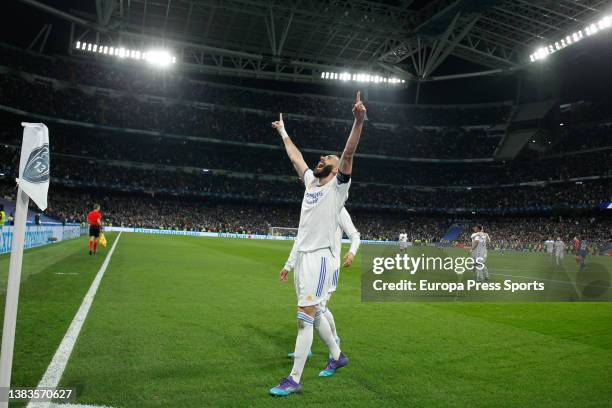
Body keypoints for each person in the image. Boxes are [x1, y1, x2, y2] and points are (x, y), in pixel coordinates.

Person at [269, 91, 366, 397]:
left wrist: (358, 120)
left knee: (304, 319)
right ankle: (337, 356)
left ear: (336, 170)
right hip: (304, 259)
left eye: (327, 158)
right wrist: (284, 132)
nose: (321, 159)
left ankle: (295, 378)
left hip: (322, 260)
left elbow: (348, 153)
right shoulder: (312, 182)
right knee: (316, 312)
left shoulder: (338, 189)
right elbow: (295, 157)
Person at [283, 207, 361, 359]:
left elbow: (355, 235)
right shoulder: (311, 206)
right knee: (308, 307)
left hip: (329, 266)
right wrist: (289, 265)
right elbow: (300, 238)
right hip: (308, 265)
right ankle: (306, 349)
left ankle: (335, 343)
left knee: (319, 307)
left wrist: (352, 252)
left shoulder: (337, 208)